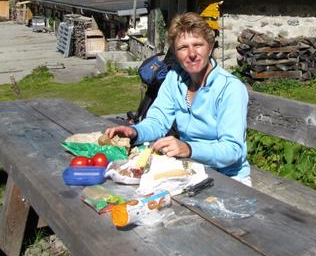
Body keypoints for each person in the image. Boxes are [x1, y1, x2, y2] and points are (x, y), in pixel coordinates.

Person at [105, 12, 251, 184]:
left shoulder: (229, 88)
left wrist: (188, 148)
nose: (192, 54)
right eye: (183, 47)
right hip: (189, 170)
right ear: (175, 52)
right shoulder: (175, 78)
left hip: (228, 178)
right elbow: (158, 121)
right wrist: (135, 132)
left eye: (198, 45)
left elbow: (232, 150)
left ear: (210, 48)